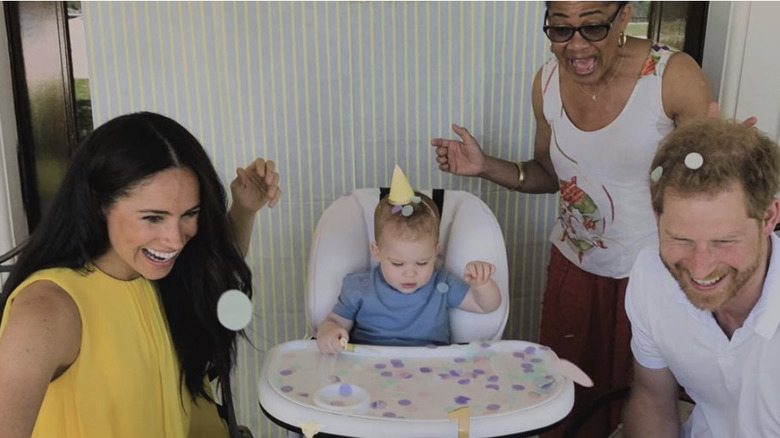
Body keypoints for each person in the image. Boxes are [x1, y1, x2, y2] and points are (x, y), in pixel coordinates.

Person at [430, 2, 713, 436]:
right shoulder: (546, 82)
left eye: (593, 27)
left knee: (644, 404)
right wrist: (485, 165)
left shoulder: (671, 77)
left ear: (623, 16)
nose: (576, 45)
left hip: (655, 277)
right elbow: (550, 175)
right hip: (575, 271)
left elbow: (708, 186)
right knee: (568, 403)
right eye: (560, 30)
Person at [0, 112, 281, 438]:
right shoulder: (48, 309)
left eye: (189, 214)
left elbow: (214, 264)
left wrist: (244, 209)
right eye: (152, 218)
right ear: (98, 205)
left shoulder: (155, 272)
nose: (175, 240)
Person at [623, 119, 780, 437]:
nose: (700, 268)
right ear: (658, 219)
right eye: (681, 239)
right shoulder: (650, 274)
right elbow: (653, 399)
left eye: (724, 242)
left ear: (769, 218)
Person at [316, 166, 501, 354]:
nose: (410, 272)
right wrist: (330, 332)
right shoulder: (358, 287)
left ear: (436, 251)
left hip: (429, 368)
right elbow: (334, 321)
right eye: (397, 263)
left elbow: (485, 305)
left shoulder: (442, 285)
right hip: (370, 367)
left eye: (422, 263)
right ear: (377, 252)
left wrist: (482, 284)